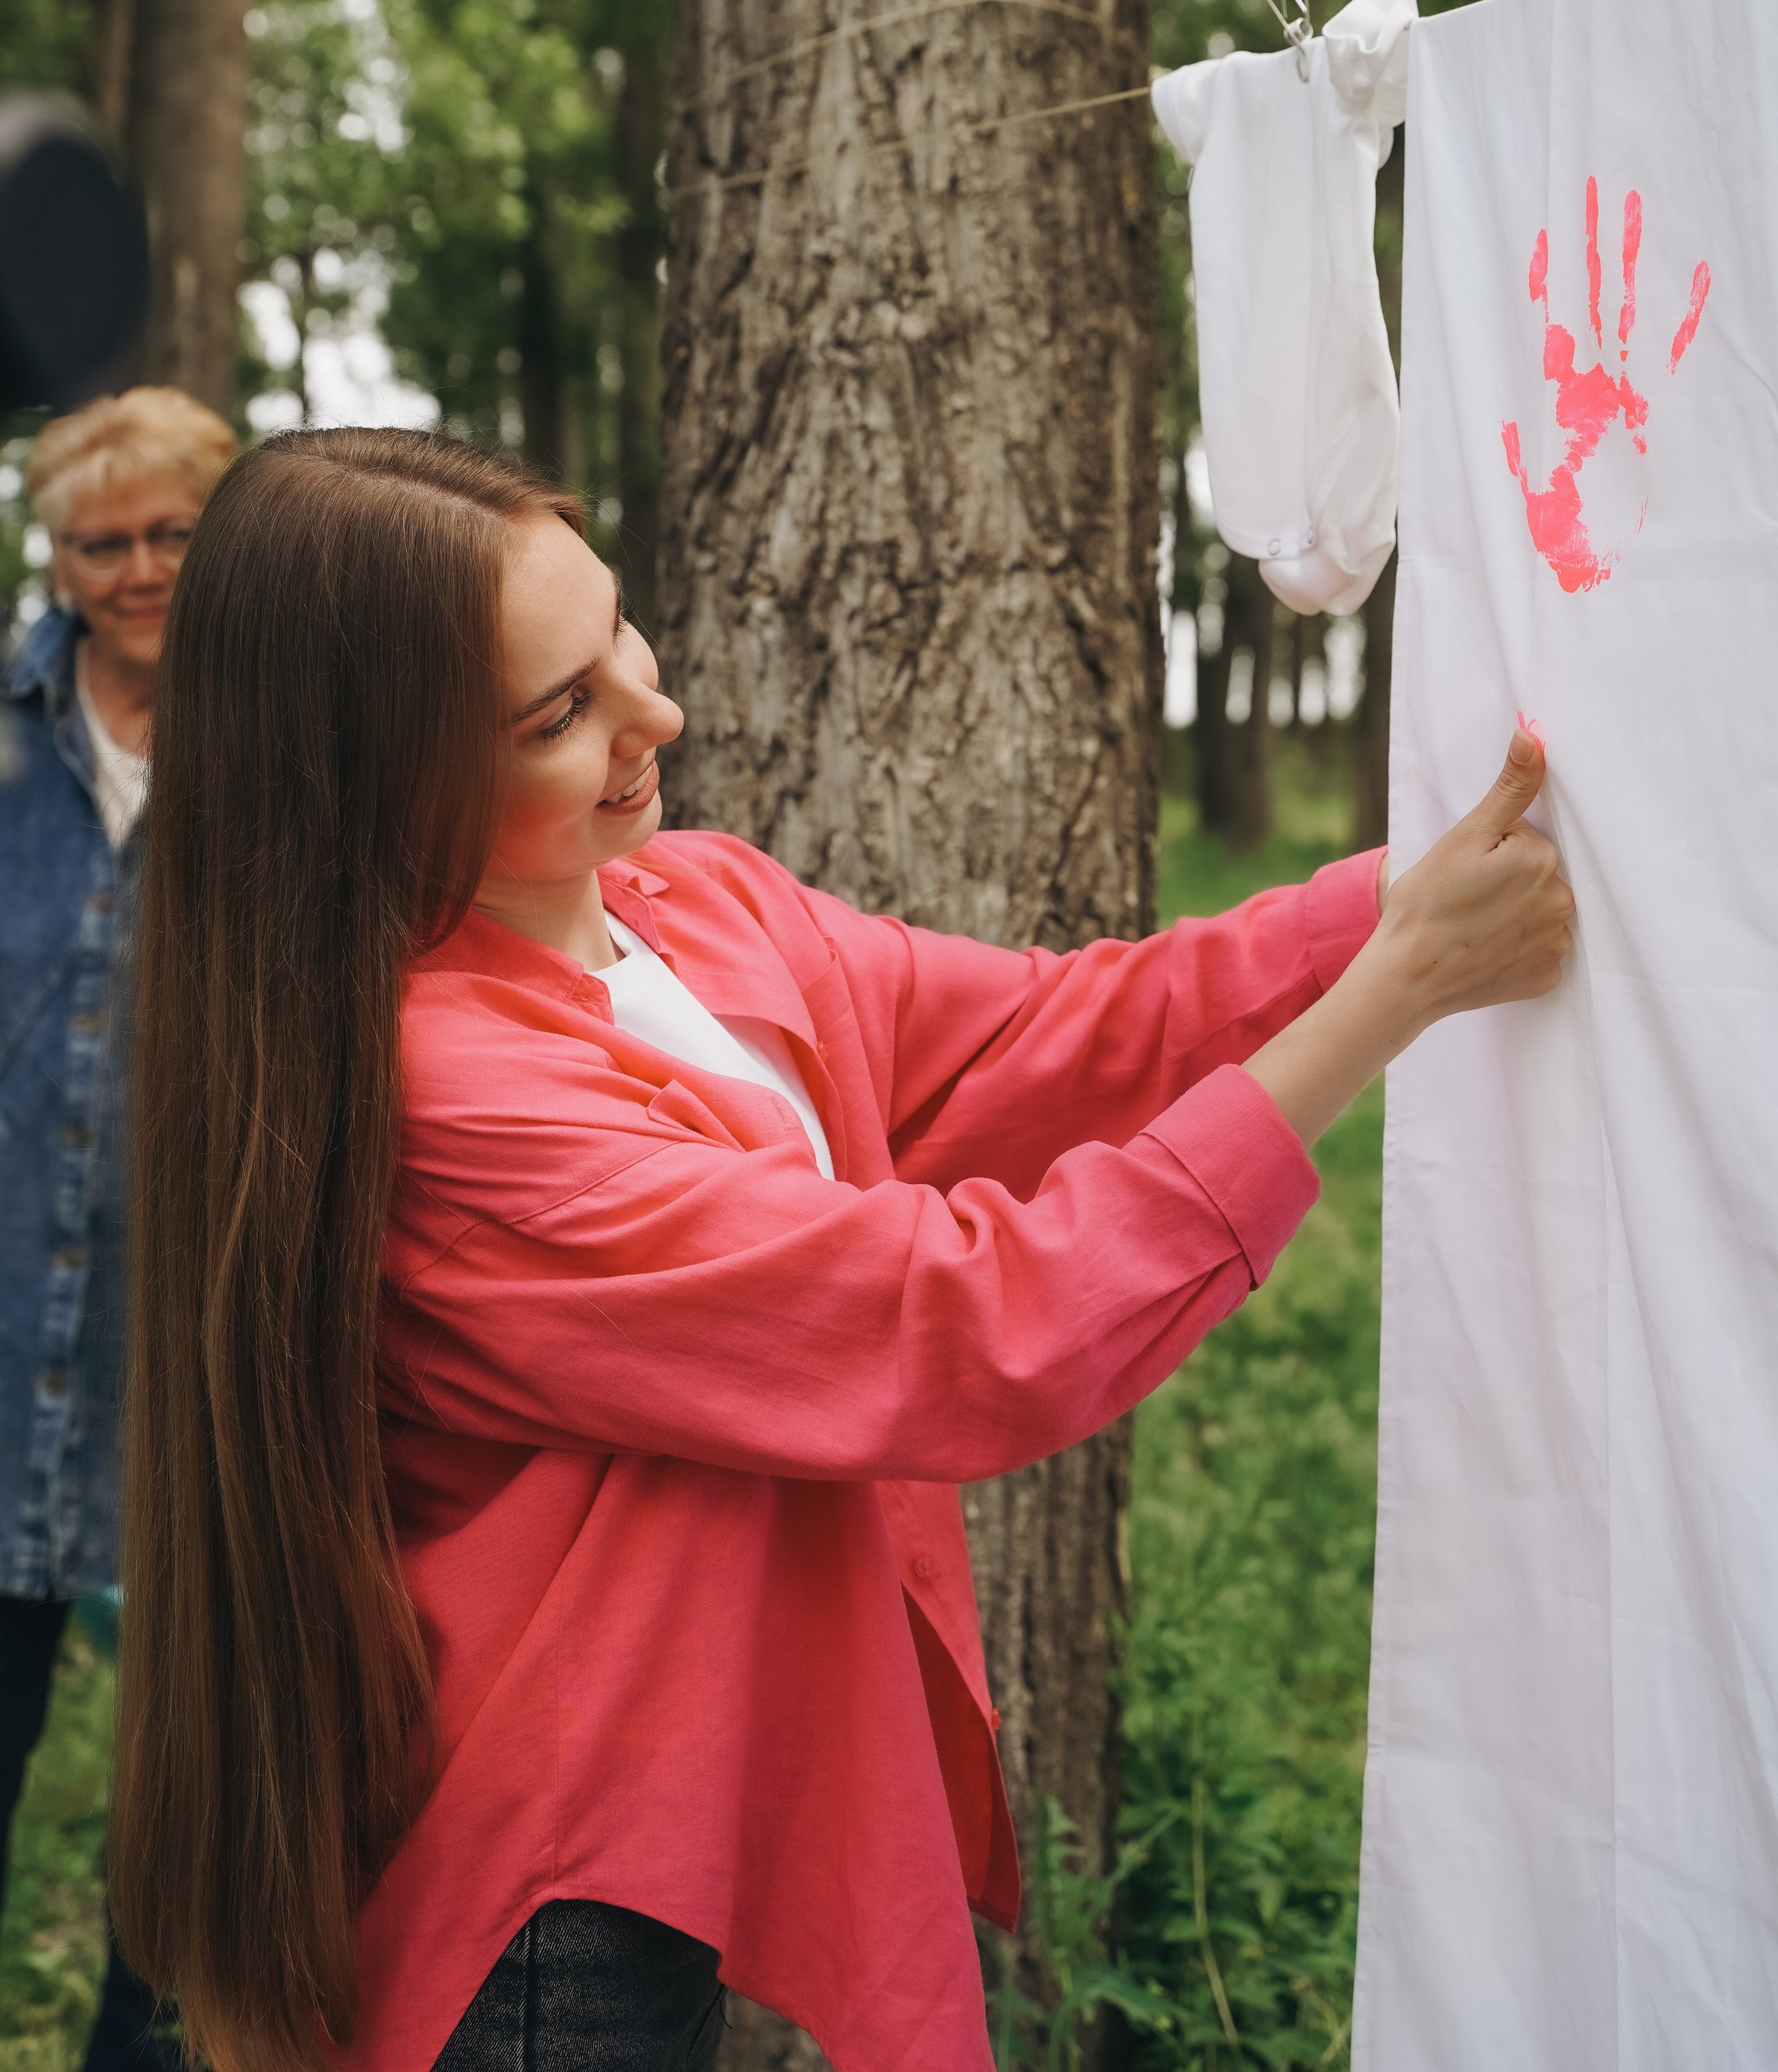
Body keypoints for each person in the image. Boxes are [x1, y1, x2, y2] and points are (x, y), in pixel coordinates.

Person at [108, 427, 1572, 2072]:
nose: (654, 714)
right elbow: (968, 1323)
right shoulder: (452, 1099)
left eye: (617, 632)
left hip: (669, 1806)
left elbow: (1058, 1033)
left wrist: (1406, 894)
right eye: (560, 714)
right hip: (544, 1894)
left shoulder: (692, 904)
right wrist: (1394, 996)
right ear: (374, 777)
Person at [0, 386, 235, 2071]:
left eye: (170, 535)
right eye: (101, 544)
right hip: (5, 1322)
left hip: (195, 1343)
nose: (139, 569)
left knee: (191, 1798)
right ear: (56, 558)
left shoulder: (288, 739)